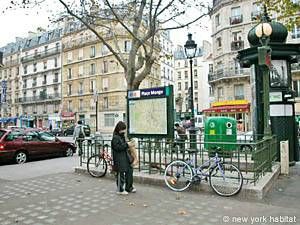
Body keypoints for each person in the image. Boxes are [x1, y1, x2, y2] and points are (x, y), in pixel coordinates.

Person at [111, 121, 136, 195]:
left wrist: (129, 143)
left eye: (124, 129)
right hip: (119, 159)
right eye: (123, 129)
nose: (124, 131)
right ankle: (120, 190)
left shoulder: (121, 136)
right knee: (120, 173)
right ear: (119, 129)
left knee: (129, 170)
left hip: (125, 157)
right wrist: (127, 145)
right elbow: (117, 147)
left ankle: (129, 187)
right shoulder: (115, 137)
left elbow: (124, 145)